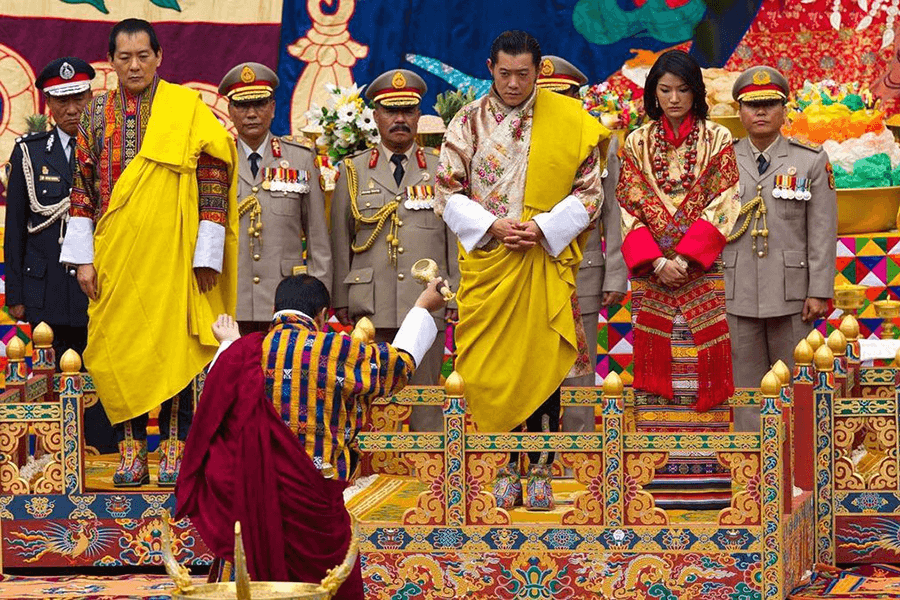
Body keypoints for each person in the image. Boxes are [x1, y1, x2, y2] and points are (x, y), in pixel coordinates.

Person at [175, 274, 446, 600]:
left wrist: (228, 343)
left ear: (274, 311)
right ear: (321, 316)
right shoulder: (336, 349)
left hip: (251, 499)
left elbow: (216, 412)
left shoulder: (244, 351)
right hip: (314, 500)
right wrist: (421, 307)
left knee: (246, 574)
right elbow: (397, 366)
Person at [59, 18, 239, 487]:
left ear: (160, 57)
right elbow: (80, 189)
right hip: (115, 254)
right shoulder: (95, 114)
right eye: (124, 57)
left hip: (179, 255)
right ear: (111, 63)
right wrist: (82, 259)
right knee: (118, 351)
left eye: (143, 55)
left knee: (178, 349)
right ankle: (131, 451)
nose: (135, 65)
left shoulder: (186, 108)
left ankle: (176, 450)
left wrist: (208, 253)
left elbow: (215, 177)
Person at [435, 31, 609, 510]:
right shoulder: (465, 124)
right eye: (505, 73)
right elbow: (446, 193)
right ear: (490, 67)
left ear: (539, 71)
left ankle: (541, 465)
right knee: (497, 366)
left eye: (524, 74)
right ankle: (508, 461)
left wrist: (544, 228)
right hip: (491, 264)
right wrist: (493, 224)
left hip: (544, 259)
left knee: (543, 364)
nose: (513, 84)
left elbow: (591, 193)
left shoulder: (568, 121)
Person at [616, 49, 740, 510]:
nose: (673, 98)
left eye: (682, 89)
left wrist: (686, 258)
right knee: (659, 366)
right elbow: (627, 206)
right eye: (664, 90)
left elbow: (727, 198)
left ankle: (714, 480)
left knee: (700, 363)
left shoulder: (718, 138)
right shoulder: (634, 142)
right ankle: (656, 484)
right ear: (652, 93)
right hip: (652, 278)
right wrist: (656, 262)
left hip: (702, 272)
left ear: (696, 93)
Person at [331, 69, 458, 431]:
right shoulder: (353, 171)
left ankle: (431, 476)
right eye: (391, 110)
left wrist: (455, 295)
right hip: (371, 305)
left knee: (426, 402)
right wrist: (341, 297)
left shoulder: (441, 168)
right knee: (371, 399)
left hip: (429, 300)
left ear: (419, 115)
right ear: (376, 115)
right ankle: (372, 479)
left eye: (408, 110)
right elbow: (340, 239)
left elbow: (454, 238)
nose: (400, 119)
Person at [3, 57, 116, 453]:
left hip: (100, 285)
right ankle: (56, 456)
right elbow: (15, 226)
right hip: (46, 287)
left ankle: (106, 453)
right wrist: (15, 293)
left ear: (91, 96)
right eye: (60, 101)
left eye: (79, 98)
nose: (72, 109)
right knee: (50, 377)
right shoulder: (30, 153)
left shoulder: (111, 150)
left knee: (103, 371)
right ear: (47, 103)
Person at [724, 66, 836, 414]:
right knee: (745, 394)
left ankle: (796, 466)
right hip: (736, 290)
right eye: (752, 104)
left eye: (771, 103)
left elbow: (822, 228)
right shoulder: (722, 158)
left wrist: (819, 289)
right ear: (738, 111)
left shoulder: (810, 159)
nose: (761, 112)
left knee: (796, 391)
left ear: (784, 109)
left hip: (793, 294)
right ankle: (749, 467)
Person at [536, 56, 628, 427]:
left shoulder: (601, 143)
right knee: (533, 368)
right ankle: (535, 457)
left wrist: (615, 273)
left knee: (579, 369)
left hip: (583, 272)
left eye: (562, 97)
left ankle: (579, 462)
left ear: (578, 98)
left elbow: (613, 214)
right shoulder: (516, 140)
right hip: (528, 272)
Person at [218, 62, 332, 335]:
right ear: (230, 111)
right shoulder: (218, 161)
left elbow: (318, 239)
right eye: (243, 106)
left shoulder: (301, 158)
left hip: (289, 300)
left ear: (272, 107)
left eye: (259, 104)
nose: (252, 114)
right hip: (230, 297)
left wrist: (320, 299)